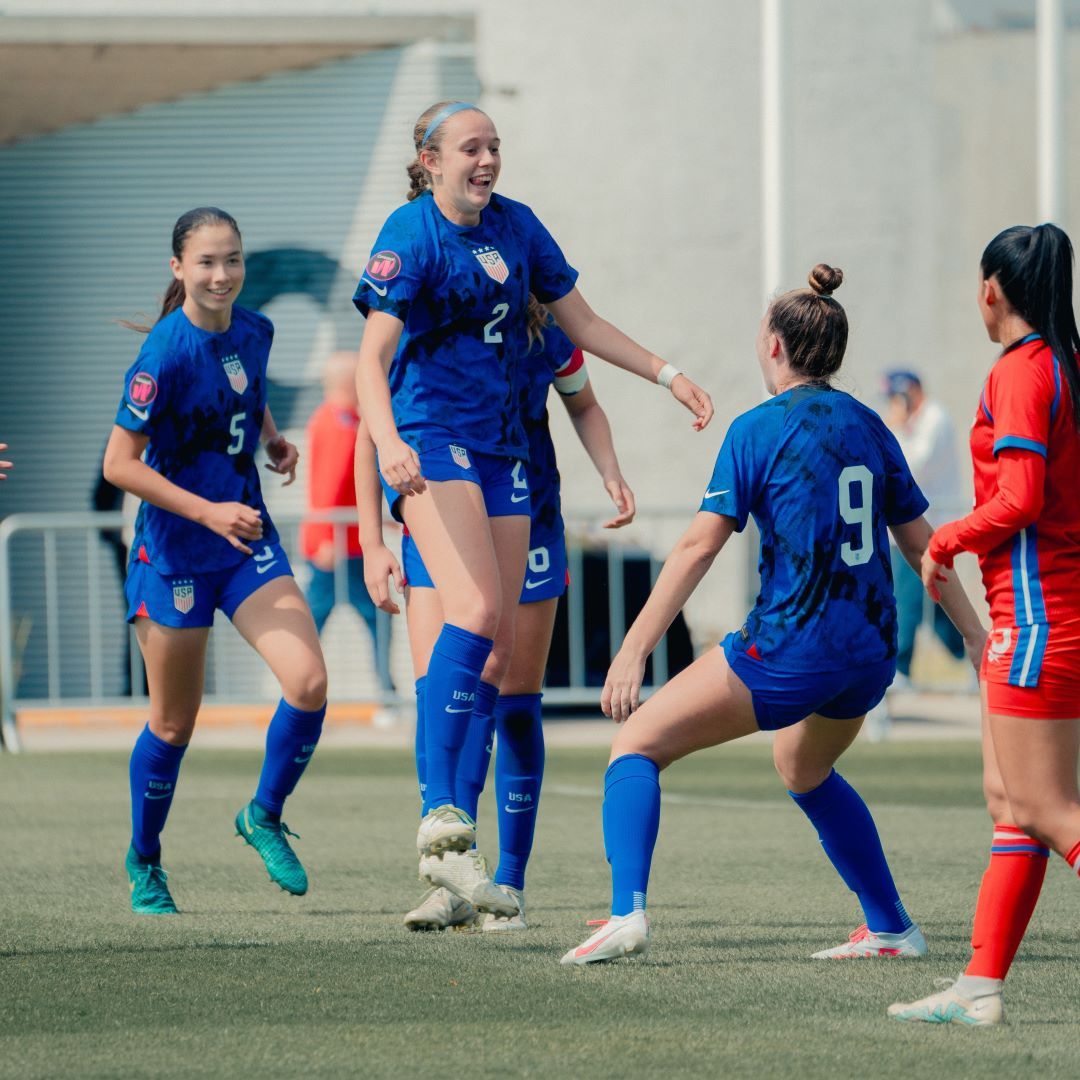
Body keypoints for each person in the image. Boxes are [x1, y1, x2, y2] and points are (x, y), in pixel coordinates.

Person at [560, 265, 986, 966]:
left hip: (793, 651)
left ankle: (625, 914)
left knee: (635, 745)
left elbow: (698, 546)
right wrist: (972, 633)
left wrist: (633, 649)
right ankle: (891, 927)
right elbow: (922, 545)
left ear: (775, 347)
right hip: (869, 655)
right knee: (802, 766)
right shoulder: (870, 425)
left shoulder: (756, 429)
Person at [353, 99, 712, 918]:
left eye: (495, 146)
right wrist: (390, 446)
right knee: (477, 614)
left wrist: (667, 375)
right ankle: (442, 817)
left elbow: (582, 324)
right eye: (469, 149)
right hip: (433, 439)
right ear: (430, 161)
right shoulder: (409, 234)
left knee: (500, 659)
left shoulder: (517, 228)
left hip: (505, 456)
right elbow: (372, 360)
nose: (487, 160)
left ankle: (479, 873)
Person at [360, 299, 636, 931]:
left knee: (512, 699)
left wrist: (611, 471)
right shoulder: (421, 312)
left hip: (528, 515)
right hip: (439, 511)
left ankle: (507, 882)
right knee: (438, 692)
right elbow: (369, 425)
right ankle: (453, 874)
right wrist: (371, 539)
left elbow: (584, 402)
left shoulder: (546, 327)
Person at [104, 206, 329, 915]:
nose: (222, 274)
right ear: (179, 268)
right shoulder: (163, 354)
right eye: (206, 262)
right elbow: (118, 465)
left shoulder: (256, 329)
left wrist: (272, 439)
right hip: (174, 555)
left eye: (232, 259)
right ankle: (145, 861)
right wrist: (206, 511)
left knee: (309, 683)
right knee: (173, 725)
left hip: (244, 543)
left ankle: (263, 815)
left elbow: (245, 392)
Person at [891, 224, 1080, 1026]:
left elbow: (1022, 497)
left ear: (991, 291)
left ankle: (978, 986)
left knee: (1047, 809)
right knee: (1012, 804)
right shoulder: (1059, 364)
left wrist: (945, 540)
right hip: (1039, 615)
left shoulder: (1022, 371)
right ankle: (978, 987)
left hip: (1039, 618)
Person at [300, 350, 393, 694]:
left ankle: (300, 685)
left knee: (325, 617)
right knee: (373, 616)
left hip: (343, 542)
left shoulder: (333, 419)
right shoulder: (339, 424)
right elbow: (331, 484)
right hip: (341, 545)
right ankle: (302, 685)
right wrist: (328, 536)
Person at [882, 370, 966, 686]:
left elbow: (912, 467)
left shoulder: (935, 419)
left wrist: (896, 428)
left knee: (909, 600)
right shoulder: (918, 423)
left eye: (896, 398)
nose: (894, 406)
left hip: (931, 530)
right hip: (914, 528)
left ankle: (901, 669)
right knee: (939, 604)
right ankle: (970, 655)